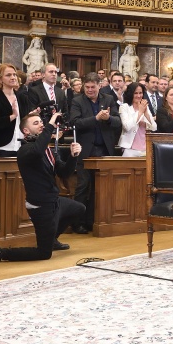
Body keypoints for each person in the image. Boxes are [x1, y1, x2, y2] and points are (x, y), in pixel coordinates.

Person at [0, 111, 85, 262]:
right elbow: (37, 150)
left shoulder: (48, 150)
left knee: (79, 208)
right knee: (44, 254)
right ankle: (0, 253)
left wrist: (73, 156)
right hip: (41, 206)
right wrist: (51, 124)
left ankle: (53, 240)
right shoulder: (25, 151)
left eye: (41, 122)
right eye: (36, 123)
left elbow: (64, 173)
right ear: (25, 131)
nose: (41, 125)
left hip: (54, 201)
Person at [70, 73, 121, 234]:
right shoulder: (77, 101)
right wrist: (96, 118)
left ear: (100, 85)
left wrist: (107, 119)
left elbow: (118, 121)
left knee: (99, 189)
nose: (90, 90)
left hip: (104, 150)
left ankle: (92, 221)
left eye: (93, 87)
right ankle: (76, 222)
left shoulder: (108, 99)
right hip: (85, 150)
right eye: (87, 87)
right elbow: (75, 123)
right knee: (83, 187)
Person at [0, 63, 31, 157]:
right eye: (8, 75)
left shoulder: (22, 97)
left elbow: (24, 120)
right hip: (0, 146)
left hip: (21, 145)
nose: (13, 77)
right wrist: (12, 116)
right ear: (0, 79)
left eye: (14, 74)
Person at [118, 82, 156, 157]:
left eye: (140, 93)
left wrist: (146, 113)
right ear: (131, 94)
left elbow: (154, 127)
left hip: (145, 147)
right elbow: (127, 126)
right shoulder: (124, 107)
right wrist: (139, 112)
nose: (139, 96)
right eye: (135, 93)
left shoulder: (145, 106)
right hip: (130, 148)